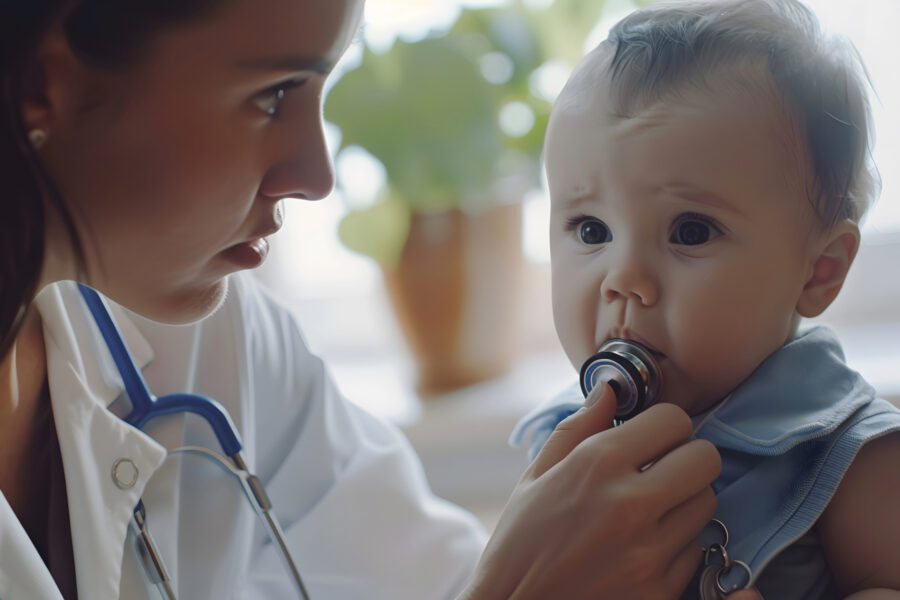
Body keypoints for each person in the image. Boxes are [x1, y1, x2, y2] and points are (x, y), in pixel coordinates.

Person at [0, 1, 732, 598]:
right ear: (45, 85)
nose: (315, 176)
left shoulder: (216, 343)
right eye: (274, 94)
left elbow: (433, 582)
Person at [511, 0, 900, 598]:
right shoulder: (563, 444)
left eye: (690, 232)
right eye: (592, 231)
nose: (625, 280)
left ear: (817, 272)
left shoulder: (849, 454)